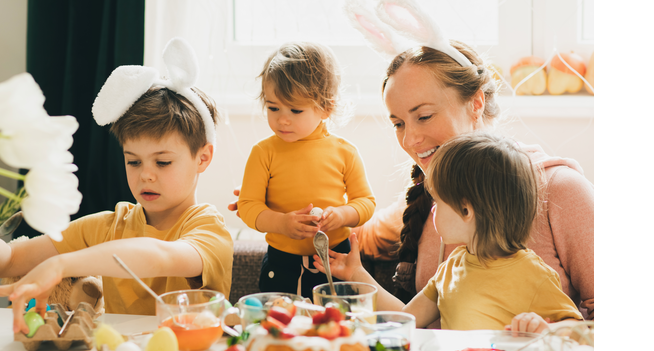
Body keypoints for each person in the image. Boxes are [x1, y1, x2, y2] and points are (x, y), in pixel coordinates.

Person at [228, 39, 594, 321]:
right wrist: (273, 208)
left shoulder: (561, 189)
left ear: (476, 103)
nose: (410, 140)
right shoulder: (427, 201)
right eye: (398, 123)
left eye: (424, 116)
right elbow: (357, 236)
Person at [0, 38, 234, 334]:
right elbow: (8, 262)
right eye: (133, 162)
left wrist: (61, 265)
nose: (145, 175)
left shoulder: (209, 230)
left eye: (162, 163)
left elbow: (161, 256)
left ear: (203, 158)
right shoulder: (111, 225)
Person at [314, 132, 582, 332]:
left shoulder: (533, 275)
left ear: (467, 212)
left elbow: (578, 330)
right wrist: (356, 275)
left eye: (438, 203)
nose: (432, 211)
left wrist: (545, 329)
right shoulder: (451, 267)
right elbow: (408, 318)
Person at [237, 41, 376, 300]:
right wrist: (281, 223)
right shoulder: (263, 152)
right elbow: (247, 206)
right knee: (280, 325)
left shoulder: (345, 151)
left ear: (326, 107)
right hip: (281, 262)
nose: (282, 119)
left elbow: (366, 202)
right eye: (273, 107)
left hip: (334, 259)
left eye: (295, 109)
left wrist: (343, 215)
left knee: (334, 325)